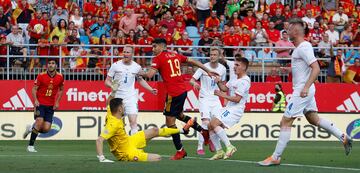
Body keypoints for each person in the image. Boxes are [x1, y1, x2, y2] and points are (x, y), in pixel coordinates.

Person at [258, 18, 353, 166]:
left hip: (302, 90)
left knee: (285, 121)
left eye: (289, 29)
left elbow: (316, 67)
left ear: (295, 31)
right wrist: (288, 70)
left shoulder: (303, 47)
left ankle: (276, 157)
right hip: (305, 89)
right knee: (313, 119)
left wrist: (306, 87)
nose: (287, 31)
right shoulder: (300, 48)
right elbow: (307, 68)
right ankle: (344, 137)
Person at [139, 38, 218, 160]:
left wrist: (136, 72)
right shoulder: (175, 55)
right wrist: (208, 70)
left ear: (161, 46)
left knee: (170, 123)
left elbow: (149, 75)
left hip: (173, 93)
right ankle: (202, 131)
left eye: (154, 46)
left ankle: (180, 151)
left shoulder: (158, 58)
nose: (153, 49)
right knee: (179, 115)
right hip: (182, 90)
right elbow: (192, 61)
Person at [95, 98, 195, 162]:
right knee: (157, 157)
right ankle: (138, 153)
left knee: (155, 130)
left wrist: (114, 89)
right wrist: (102, 158)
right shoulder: (113, 124)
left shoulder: (110, 111)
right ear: (120, 109)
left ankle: (182, 130)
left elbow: (109, 103)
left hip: (129, 140)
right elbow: (99, 140)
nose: (125, 108)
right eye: (123, 106)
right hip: (126, 152)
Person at [105, 46, 157, 135]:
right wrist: (112, 85)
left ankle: (134, 145)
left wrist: (150, 89)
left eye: (127, 52)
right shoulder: (115, 65)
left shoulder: (136, 67)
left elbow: (140, 79)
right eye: (124, 52)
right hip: (117, 97)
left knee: (133, 123)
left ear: (132, 54)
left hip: (130, 97)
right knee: (118, 124)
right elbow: (107, 81)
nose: (125, 54)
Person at [208, 57, 251, 160]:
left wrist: (222, 95)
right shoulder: (234, 78)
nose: (234, 67)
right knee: (210, 125)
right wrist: (218, 81)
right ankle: (219, 152)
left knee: (214, 123)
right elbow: (224, 88)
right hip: (229, 107)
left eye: (237, 65)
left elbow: (237, 99)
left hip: (236, 109)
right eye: (234, 65)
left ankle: (229, 146)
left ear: (244, 67)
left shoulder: (244, 81)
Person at [190, 47, 227, 155]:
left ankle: (212, 140)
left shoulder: (222, 69)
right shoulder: (203, 67)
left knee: (219, 124)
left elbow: (223, 85)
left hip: (215, 99)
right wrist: (195, 84)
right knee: (205, 122)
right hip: (204, 98)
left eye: (215, 55)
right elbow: (191, 80)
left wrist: (224, 98)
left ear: (219, 56)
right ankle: (200, 147)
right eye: (211, 54)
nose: (212, 56)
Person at [23, 59, 64, 152]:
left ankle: (31, 129)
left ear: (56, 66)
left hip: (50, 105)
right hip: (40, 103)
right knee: (39, 122)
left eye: (53, 63)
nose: (51, 65)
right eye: (49, 63)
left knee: (46, 129)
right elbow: (34, 89)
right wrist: (36, 100)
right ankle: (30, 146)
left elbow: (61, 89)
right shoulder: (41, 76)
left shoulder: (60, 77)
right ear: (47, 65)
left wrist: (57, 102)